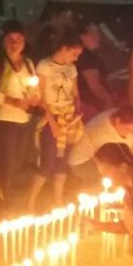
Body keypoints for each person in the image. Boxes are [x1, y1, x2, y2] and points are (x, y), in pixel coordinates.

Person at [0, 19, 38, 205]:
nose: (14, 43)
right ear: (3, 41)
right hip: (2, 120)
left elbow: (33, 88)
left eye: (18, 39)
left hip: (23, 119)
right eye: (10, 39)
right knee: (5, 162)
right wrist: (13, 102)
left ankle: (5, 197)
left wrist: (34, 97)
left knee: (17, 161)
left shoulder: (28, 63)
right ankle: (1, 201)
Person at [29, 34, 84, 211]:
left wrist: (77, 109)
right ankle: (30, 203)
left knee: (62, 159)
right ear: (63, 48)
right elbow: (41, 97)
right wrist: (52, 123)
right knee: (48, 159)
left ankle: (58, 201)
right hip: (51, 116)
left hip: (68, 117)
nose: (75, 58)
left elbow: (75, 93)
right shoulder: (44, 66)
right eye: (74, 54)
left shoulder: (71, 69)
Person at [69, 104, 133, 174]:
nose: (130, 133)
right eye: (127, 129)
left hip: (100, 158)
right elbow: (108, 165)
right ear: (117, 121)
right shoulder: (103, 135)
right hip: (82, 163)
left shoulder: (119, 115)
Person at [76, 22, 114, 119]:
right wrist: (107, 99)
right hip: (91, 105)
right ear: (83, 36)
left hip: (86, 102)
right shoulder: (86, 56)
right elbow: (94, 85)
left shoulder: (83, 54)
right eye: (94, 34)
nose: (98, 37)